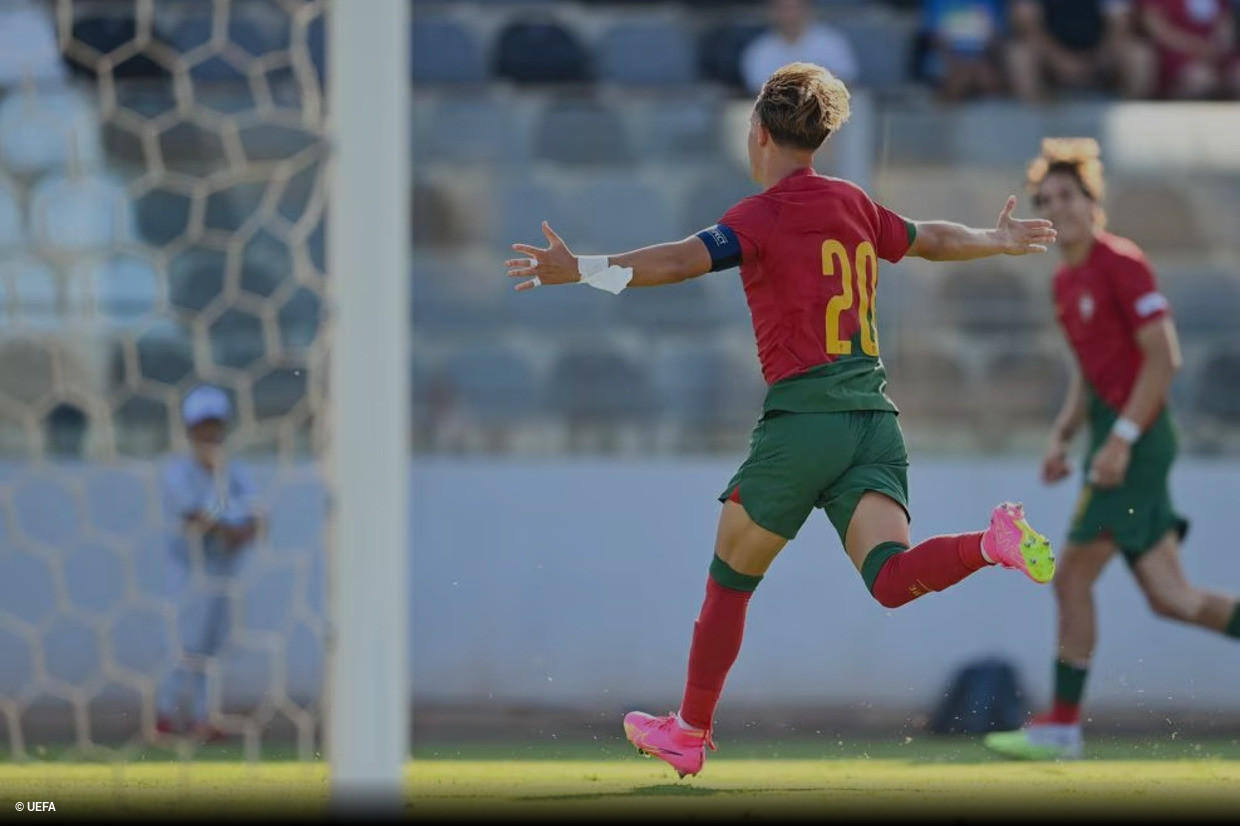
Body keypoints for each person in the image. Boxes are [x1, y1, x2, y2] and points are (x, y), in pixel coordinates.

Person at [504, 61, 1060, 779]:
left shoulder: (759, 215)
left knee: (729, 578)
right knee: (890, 579)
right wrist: (999, 237)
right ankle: (991, 542)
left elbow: (679, 261)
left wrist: (581, 267)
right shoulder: (854, 204)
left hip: (806, 420)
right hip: (874, 420)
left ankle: (690, 731)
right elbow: (930, 240)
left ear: (760, 133)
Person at [983, 138, 1240, 761]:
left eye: (1067, 196)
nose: (1058, 207)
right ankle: (1062, 726)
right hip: (1113, 444)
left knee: (1070, 575)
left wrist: (1121, 441)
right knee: (1172, 599)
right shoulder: (1065, 283)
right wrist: (1063, 433)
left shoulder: (1122, 262)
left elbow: (1164, 359)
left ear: (1093, 203)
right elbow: (1087, 370)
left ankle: (1063, 726)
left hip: (1139, 445)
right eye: (1047, 199)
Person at [154, 384, 263, 741]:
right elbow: (197, 516)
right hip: (188, 571)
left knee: (214, 648)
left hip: (223, 572)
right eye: (202, 425)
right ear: (189, 429)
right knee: (184, 644)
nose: (210, 432)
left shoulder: (236, 470)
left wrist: (244, 528)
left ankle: (205, 718)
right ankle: (164, 716)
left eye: (215, 424)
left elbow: (257, 513)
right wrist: (230, 529)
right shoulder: (177, 472)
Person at [1006, 0, 1155, 101]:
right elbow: (1028, 26)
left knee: (1139, 55)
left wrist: (1098, 57)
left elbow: (1119, 25)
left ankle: (1129, 123)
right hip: (1050, 57)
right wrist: (1059, 60)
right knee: (1019, 56)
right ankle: (1036, 124)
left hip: (1099, 55)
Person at [741, 0, 859, 95]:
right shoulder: (759, 50)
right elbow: (759, 92)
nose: (791, 15)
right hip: (778, 115)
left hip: (826, 111)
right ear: (772, 12)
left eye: (796, 8)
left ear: (808, 9)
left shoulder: (832, 40)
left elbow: (846, 81)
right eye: (784, 9)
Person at [1138, 0, 1240, 99]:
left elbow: (1224, 23)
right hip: (1177, 51)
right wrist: (1197, 47)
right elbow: (1157, 30)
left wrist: (1220, 44)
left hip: (1213, 53)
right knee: (1201, 78)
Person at [919, 0, 1009, 101]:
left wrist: (979, 61)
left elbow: (996, 37)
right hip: (946, 57)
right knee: (956, 78)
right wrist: (955, 62)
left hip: (983, 58)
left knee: (989, 79)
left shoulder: (993, 2)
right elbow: (933, 37)